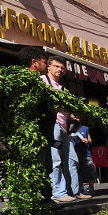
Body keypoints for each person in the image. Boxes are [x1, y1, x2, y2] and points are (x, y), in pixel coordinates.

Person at [41, 56, 86, 202]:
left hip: (63, 127)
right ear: (48, 67)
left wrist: (71, 116)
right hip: (52, 125)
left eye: (62, 68)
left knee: (72, 160)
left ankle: (74, 191)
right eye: (56, 66)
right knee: (55, 160)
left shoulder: (62, 87)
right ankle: (59, 193)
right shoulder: (42, 81)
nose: (60, 70)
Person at [72, 113, 96, 197]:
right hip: (75, 152)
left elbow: (90, 140)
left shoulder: (85, 128)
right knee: (78, 171)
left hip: (86, 153)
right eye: (73, 118)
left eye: (77, 118)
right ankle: (80, 187)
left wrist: (87, 140)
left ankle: (91, 187)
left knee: (89, 170)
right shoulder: (70, 129)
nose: (76, 120)